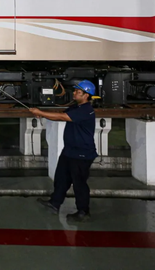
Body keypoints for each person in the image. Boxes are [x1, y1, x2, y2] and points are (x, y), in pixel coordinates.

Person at [29, 80, 97, 223]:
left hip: (82, 153)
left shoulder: (85, 110)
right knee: (62, 179)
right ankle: (55, 203)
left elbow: (62, 117)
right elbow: (59, 114)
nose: (74, 93)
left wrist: (39, 111)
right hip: (70, 151)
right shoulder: (76, 107)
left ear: (86, 95)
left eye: (78, 92)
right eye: (75, 91)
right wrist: (44, 114)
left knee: (79, 184)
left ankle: (83, 211)